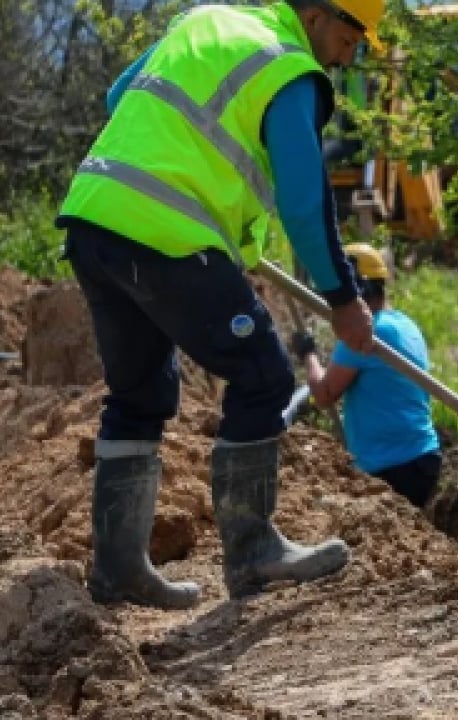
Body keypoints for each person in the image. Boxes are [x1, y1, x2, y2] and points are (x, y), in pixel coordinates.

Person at [56, 0, 387, 610]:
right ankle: (254, 552)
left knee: (140, 398)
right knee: (262, 377)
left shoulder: (206, 19)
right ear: (314, 15)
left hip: (95, 218)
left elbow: (118, 99)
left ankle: (119, 571)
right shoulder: (289, 70)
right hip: (167, 236)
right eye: (349, 37)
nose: (347, 57)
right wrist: (344, 298)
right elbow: (305, 205)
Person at [292, 244, 443, 507]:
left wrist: (308, 353)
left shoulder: (367, 333)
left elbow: (325, 394)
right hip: (420, 458)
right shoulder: (403, 323)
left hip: (394, 467)